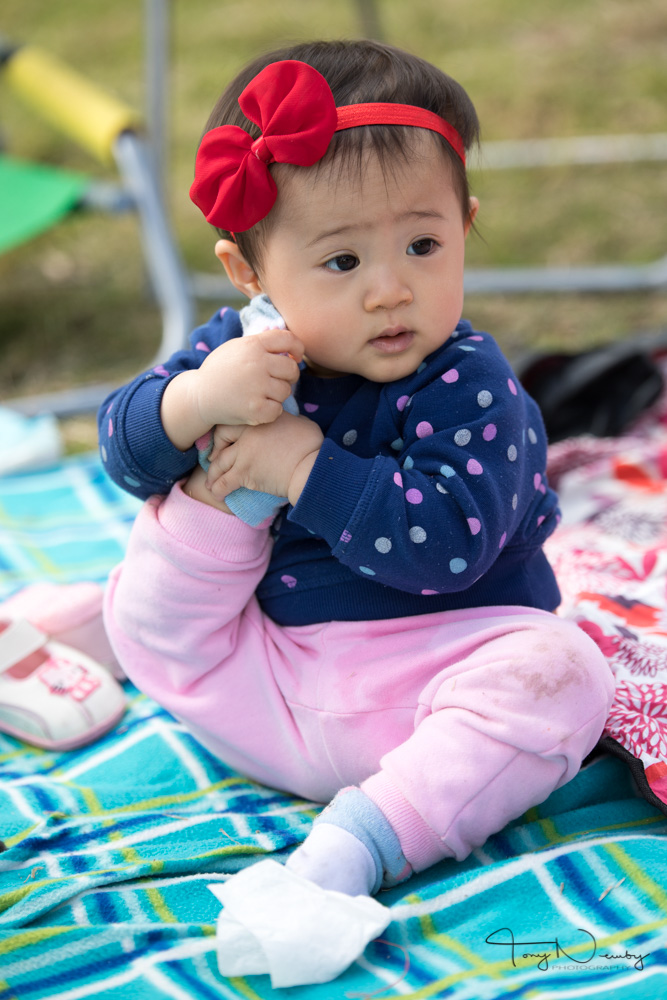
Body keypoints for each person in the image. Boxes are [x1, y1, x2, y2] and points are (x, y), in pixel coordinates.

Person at [100, 39, 614, 901]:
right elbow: (122, 454)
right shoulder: (244, 350)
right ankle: (91, 623)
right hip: (255, 683)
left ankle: (360, 844)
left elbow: (445, 548)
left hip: (431, 687)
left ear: (464, 228)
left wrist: (306, 467)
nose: (389, 290)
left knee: (566, 675)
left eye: (422, 244)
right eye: (342, 262)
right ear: (249, 272)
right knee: (185, 505)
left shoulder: (470, 385)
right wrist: (193, 400)